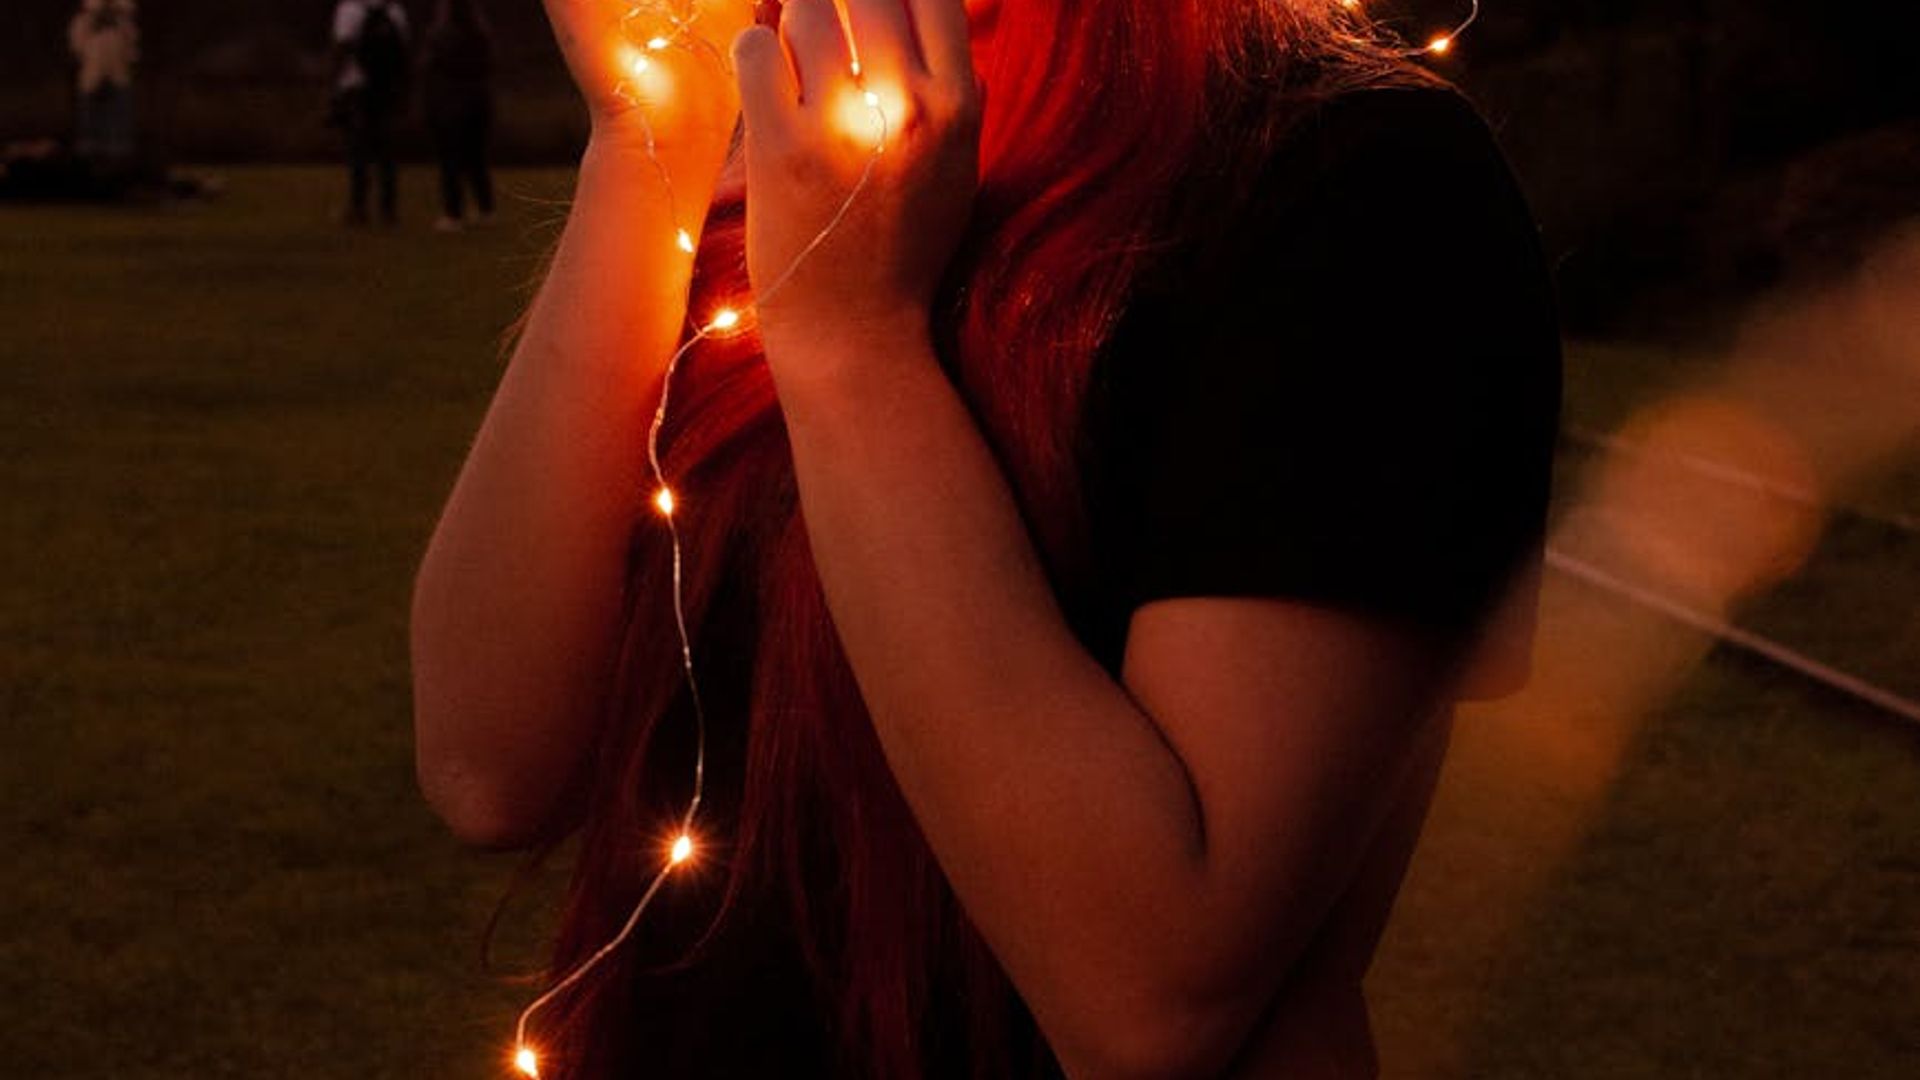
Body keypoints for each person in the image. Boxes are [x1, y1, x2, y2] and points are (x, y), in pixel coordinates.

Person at [411, 0, 1562, 1076]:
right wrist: (649, 132)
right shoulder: (805, 138)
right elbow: (489, 767)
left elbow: (1149, 999)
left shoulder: (1353, 181)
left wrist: (854, 344)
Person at [331, 0, 413, 225]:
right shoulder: (394, 9)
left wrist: (334, 85)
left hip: (357, 86)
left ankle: (358, 207)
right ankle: (388, 209)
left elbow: (342, 47)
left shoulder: (349, 8)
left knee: (357, 151)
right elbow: (403, 50)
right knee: (387, 151)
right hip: (386, 88)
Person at [422, 0, 496, 231]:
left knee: (450, 160)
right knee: (476, 157)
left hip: (450, 102)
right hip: (479, 100)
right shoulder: (481, 33)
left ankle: (453, 213)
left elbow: (430, 66)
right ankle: (486, 209)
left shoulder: (441, 35)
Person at [68, 0, 139, 163]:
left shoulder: (124, 22)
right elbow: (77, 46)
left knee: (118, 115)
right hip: (92, 76)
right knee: (90, 117)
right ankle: (89, 151)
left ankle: (118, 150)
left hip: (118, 76)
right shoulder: (84, 22)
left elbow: (132, 48)